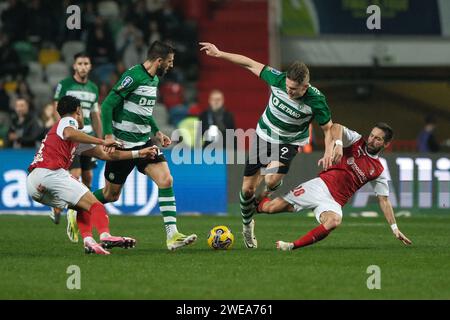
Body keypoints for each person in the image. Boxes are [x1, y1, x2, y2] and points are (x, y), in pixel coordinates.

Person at [199, 42, 334, 249]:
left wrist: (328, 151)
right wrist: (220, 53)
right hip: (263, 137)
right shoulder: (277, 78)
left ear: (305, 87)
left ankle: (268, 189)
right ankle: (247, 226)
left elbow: (328, 129)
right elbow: (248, 63)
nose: (289, 92)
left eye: (295, 90)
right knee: (247, 190)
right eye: (288, 87)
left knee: (271, 180)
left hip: (288, 143)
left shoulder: (316, 101)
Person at [91, 40, 197, 251]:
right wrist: (108, 135)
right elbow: (108, 104)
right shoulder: (133, 77)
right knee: (111, 195)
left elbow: (144, 111)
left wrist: (157, 131)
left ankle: (172, 235)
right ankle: (77, 205)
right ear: (159, 61)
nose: (171, 65)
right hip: (122, 143)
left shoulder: (154, 79)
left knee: (166, 179)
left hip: (145, 143)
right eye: (169, 61)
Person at [27, 96, 158, 255]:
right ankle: (106, 235)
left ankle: (89, 241)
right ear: (78, 111)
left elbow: (108, 156)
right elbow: (69, 133)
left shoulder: (70, 136)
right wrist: (102, 141)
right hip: (51, 173)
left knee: (83, 206)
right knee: (96, 205)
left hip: (34, 185)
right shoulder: (68, 121)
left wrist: (139, 153)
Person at [256, 122, 412, 251]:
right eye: (371, 135)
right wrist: (338, 144)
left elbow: (384, 200)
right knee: (270, 208)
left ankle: (291, 246)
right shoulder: (356, 141)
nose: (371, 140)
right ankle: (259, 200)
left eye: (378, 139)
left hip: (334, 202)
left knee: (334, 221)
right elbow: (336, 127)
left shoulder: (378, 170)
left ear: (386, 144)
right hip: (319, 186)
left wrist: (394, 228)